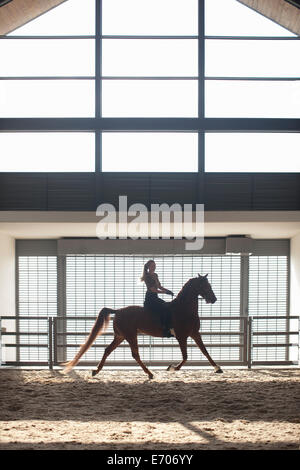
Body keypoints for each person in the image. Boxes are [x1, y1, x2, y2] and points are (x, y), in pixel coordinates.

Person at [141, 259, 174, 337]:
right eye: (152, 266)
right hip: (150, 298)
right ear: (148, 267)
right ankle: (165, 328)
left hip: (155, 297)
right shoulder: (147, 276)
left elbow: (159, 286)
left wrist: (168, 291)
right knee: (165, 307)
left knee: (168, 306)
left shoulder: (155, 275)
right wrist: (165, 293)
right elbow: (153, 289)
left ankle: (169, 327)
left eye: (155, 265)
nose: (154, 267)